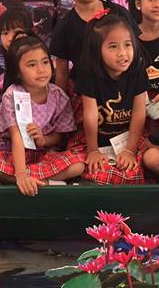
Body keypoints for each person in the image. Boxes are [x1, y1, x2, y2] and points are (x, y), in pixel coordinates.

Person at [0, 34, 83, 195]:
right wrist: (21, 174)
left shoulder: (58, 96)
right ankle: (40, 182)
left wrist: (43, 139)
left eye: (45, 62)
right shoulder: (12, 95)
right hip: (12, 152)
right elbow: (16, 137)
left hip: (45, 153)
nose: (41, 70)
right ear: (18, 72)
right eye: (31, 65)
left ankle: (32, 181)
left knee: (78, 165)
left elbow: (60, 136)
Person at [64, 11, 149, 184]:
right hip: (94, 137)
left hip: (127, 137)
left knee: (134, 171)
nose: (123, 53)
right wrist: (93, 150)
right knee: (83, 165)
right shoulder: (89, 73)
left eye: (127, 45)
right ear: (97, 50)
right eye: (113, 46)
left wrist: (130, 150)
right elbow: (90, 114)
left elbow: (139, 113)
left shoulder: (137, 71)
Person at [49, 0, 137, 94]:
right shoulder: (65, 26)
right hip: (86, 93)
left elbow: (136, 54)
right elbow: (62, 72)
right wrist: (61, 107)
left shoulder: (120, 14)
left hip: (124, 88)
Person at [0, 5, 34, 93]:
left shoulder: (37, 65)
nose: (10, 38)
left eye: (17, 32)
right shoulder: (11, 64)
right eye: (5, 33)